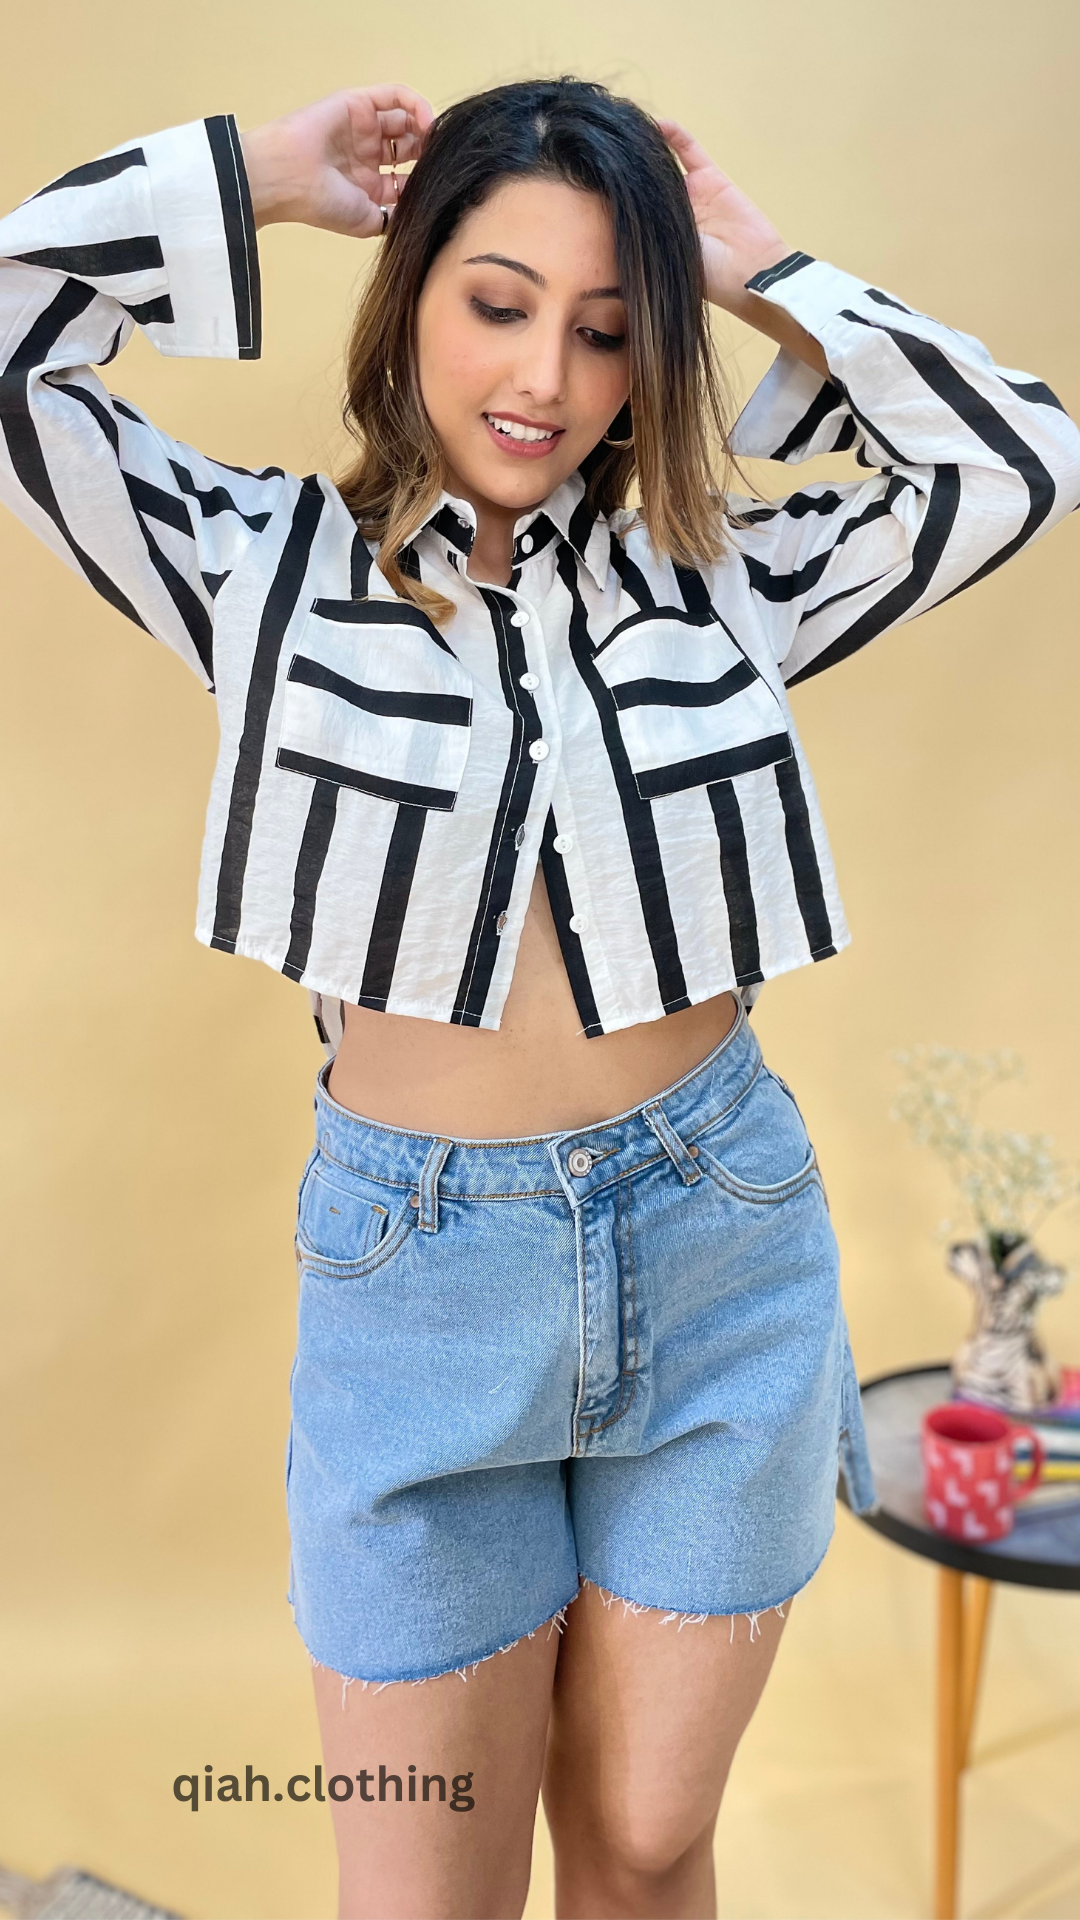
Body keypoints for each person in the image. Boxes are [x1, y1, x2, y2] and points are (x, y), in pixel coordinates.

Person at [1, 71, 1077, 1920]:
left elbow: (1018, 460)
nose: (547, 379)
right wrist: (266, 176)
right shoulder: (257, 571)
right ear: (411, 286)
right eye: (498, 302)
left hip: (720, 1244)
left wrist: (745, 264)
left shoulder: (726, 579)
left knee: (650, 1849)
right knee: (426, 1898)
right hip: (418, 1289)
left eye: (604, 330)